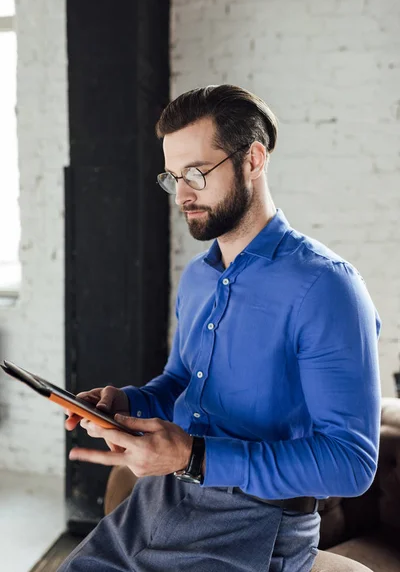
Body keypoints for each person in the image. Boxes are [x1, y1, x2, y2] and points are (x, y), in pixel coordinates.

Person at [59, 84, 381, 572]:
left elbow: (351, 463)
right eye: (172, 177)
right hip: (159, 502)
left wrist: (194, 457)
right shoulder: (197, 278)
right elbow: (180, 384)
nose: (182, 194)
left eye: (196, 173)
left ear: (253, 159)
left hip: (259, 525)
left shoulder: (327, 287)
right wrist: (126, 403)